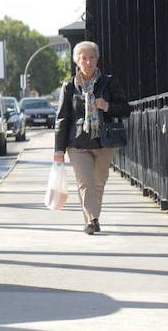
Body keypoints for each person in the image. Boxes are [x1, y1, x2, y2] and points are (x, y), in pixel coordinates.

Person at [53, 41, 132, 235]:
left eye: (91, 58)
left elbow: (125, 109)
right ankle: (92, 220)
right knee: (85, 182)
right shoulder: (69, 87)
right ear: (76, 62)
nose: (88, 62)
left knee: (98, 182)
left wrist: (107, 106)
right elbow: (62, 118)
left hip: (104, 142)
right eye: (83, 58)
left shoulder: (109, 82)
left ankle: (92, 217)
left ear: (97, 60)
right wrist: (58, 150)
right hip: (78, 143)